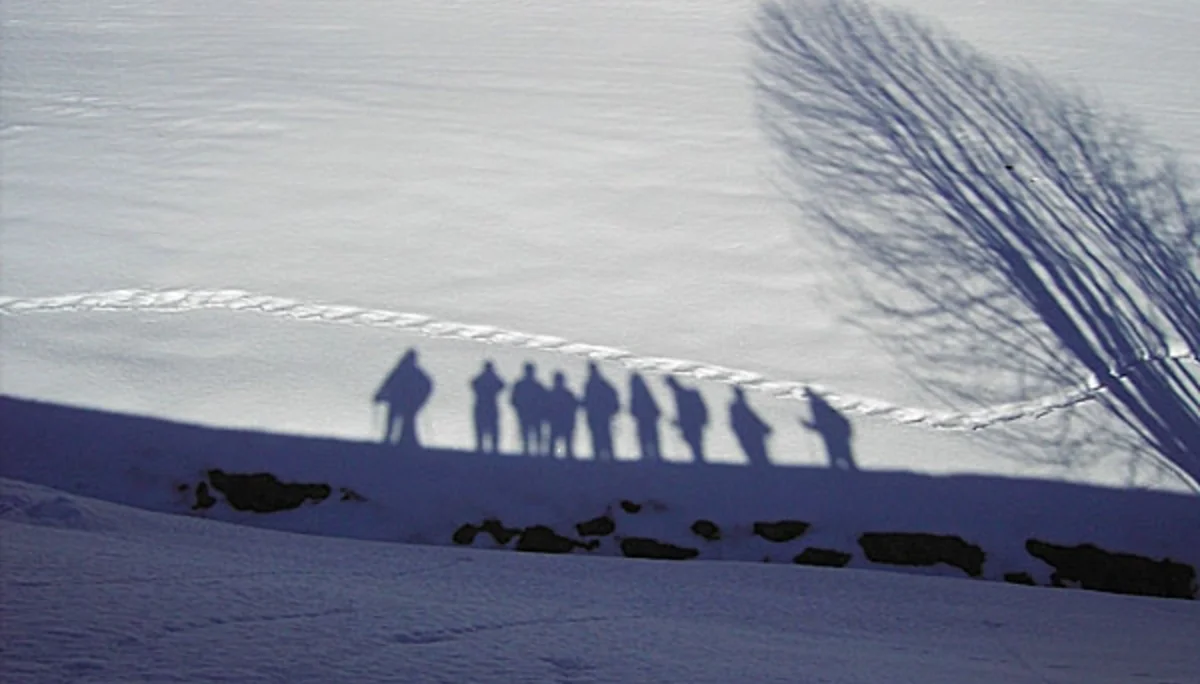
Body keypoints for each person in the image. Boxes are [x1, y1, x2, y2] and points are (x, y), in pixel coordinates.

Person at [374, 349, 433, 450]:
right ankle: (392, 440)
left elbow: (389, 382)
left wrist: (417, 400)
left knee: (405, 421)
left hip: (403, 401)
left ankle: (401, 441)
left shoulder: (406, 372)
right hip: (397, 400)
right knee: (399, 421)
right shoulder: (407, 371)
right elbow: (389, 383)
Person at [800, 389, 857, 471]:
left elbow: (823, 426)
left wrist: (810, 426)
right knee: (845, 459)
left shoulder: (820, 408)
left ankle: (844, 477)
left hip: (833, 441)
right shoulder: (824, 408)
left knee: (839, 459)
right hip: (837, 440)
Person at [664, 376, 707, 462]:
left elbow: (696, 409)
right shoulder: (681, 395)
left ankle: (699, 461)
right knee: (694, 442)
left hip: (692, 423)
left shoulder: (686, 394)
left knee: (695, 442)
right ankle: (699, 460)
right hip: (690, 423)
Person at [583, 362, 620, 460]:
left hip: (599, 417)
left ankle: (603, 459)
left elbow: (587, 401)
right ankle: (607, 459)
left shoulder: (591, 385)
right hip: (600, 417)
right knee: (602, 438)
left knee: (600, 438)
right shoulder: (601, 384)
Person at [510, 363, 548, 456]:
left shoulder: (535, 386)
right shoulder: (533, 385)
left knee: (535, 435)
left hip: (534, 415)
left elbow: (545, 400)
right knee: (526, 434)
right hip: (526, 414)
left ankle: (536, 452)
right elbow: (513, 400)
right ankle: (527, 452)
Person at [729, 386, 771, 466]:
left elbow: (752, 418)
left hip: (748, 433)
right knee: (755, 451)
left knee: (754, 452)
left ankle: (758, 468)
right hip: (748, 433)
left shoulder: (738, 406)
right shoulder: (737, 406)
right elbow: (751, 418)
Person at [470, 361, 505, 454]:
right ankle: (491, 449)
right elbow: (502, 385)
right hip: (488, 406)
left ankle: (482, 448)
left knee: (485, 429)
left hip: (484, 406)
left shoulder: (481, 379)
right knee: (487, 429)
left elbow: (473, 383)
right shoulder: (490, 379)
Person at [546, 371, 581, 458]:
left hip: (563, 422)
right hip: (559, 422)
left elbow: (575, 406)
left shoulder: (553, 394)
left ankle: (559, 458)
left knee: (565, 443)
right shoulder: (566, 394)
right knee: (555, 442)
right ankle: (554, 458)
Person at [629, 373, 662, 461]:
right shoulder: (639, 394)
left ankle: (651, 455)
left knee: (647, 437)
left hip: (645, 419)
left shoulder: (637, 394)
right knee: (648, 437)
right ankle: (652, 455)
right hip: (645, 420)